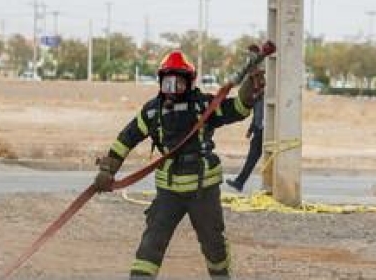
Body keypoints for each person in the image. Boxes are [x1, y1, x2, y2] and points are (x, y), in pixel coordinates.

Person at [93, 49, 265, 279]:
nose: (172, 89)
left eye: (178, 83)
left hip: (202, 191)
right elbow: (127, 138)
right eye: (168, 82)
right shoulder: (152, 112)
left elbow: (237, 109)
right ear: (160, 82)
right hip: (169, 193)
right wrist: (107, 170)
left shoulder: (204, 106)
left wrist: (249, 89)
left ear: (190, 83)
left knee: (214, 245)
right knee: (151, 244)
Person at [225, 65, 265, 193]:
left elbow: (263, 115)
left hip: (265, 130)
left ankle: (240, 182)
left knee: (253, 156)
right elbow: (257, 115)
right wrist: (251, 129)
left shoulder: (264, 94)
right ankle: (240, 182)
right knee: (253, 156)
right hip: (260, 129)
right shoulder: (257, 95)